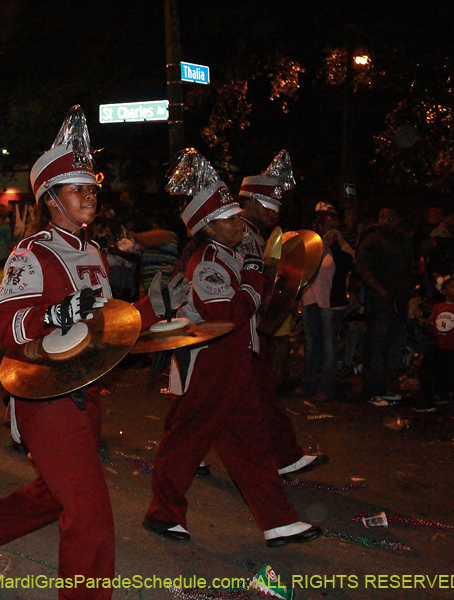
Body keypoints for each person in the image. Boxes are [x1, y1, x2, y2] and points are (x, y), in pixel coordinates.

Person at [0, 107, 174, 600]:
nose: (90, 196)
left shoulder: (95, 251)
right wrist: (52, 315)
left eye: (92, 188)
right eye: (78, 188)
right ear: (50, 198)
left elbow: (104, 328)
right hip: (45, 399)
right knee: (90, 515)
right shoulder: (33, 253)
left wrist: (154, 307)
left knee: (57, 493)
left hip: (86, 391)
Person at [144, 149, 321, 548]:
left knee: (249, 442)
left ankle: (277, 521)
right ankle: (163, 512)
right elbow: (233, 312)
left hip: (232, 359)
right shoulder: (207, 262)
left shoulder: (231, 253)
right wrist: (254, 279)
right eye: (229, 218)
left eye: (238, 215)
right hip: (211, 360)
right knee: (188, 440)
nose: (239, 221)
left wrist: (253, 275)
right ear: (209, 226)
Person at [237, 151, 327, 475]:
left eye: (278, 207)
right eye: (268, 205)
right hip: (232, 328)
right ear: (248, 201)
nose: (274, 213)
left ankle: (286, 456)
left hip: (246, 329)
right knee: (209, 402)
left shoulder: (257, 236)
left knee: (258, 396)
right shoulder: (238, 234)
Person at [357, 207, 414, 406]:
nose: (385, 221)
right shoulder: (372, 240)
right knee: (376, 345)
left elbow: (411, 269)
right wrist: (380, 290)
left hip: (399, 301)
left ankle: (385, 386)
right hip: (379, 301)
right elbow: (364, 270)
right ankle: (372, 390)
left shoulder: (404, 240)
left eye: (390, 217)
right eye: (382, 217)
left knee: (393, 345)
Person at [300, 211, 355, 402]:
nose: (332, 231)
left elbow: (347, 264)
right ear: (319, 226)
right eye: (328, 226)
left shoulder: (341, 246)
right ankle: (308, 385)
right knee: (312, 344)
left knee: (329, 346)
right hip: (310, 300)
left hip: (330, 304)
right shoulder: (313, 245)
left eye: (335, 227)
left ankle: (326, 388)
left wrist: (335, 245)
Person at [416, 278, 454, 417]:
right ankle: (430, 401)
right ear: (444, 291)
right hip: (438, 346)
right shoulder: (438, 307)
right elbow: (432, 327)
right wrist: (426, 325)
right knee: (425, 372)